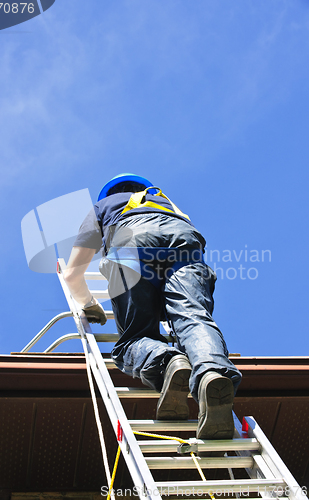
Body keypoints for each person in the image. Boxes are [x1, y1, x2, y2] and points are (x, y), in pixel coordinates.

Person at [63, 174, 242, 439]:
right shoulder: (166, 203)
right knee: (193, 318)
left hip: (130, 245)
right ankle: (212, 373)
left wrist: (90, 304)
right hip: (184, 241)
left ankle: (168, 362)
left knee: (132, 342)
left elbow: (71, 275)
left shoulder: (104, 207)